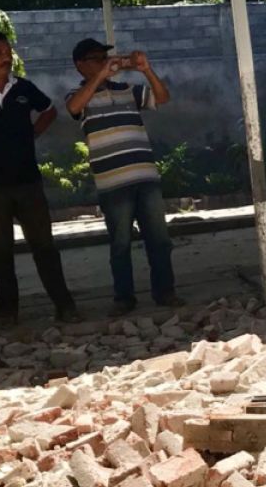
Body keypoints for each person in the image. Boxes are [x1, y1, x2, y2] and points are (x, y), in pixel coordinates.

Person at [0, 30, 80, 327]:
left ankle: (64, 305)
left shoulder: (23, 88)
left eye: (8, 51)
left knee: (44, 245)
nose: (6, 57)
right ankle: (8, 313)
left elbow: (48, 110)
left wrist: (33, 133)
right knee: (1, 250)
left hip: (27, 181)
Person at [66, 39, 181, 315]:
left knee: (159, 240)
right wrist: (100, 78)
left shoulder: (128, 90)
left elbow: (162, 98)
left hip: (145, 176)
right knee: (120, 243)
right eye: (96, 58)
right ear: (80, 65)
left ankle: (165, 292)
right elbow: (73, 108)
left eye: (106, 57)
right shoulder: (79, 94)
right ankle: (124, 297)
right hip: (113, 183)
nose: (105, 62)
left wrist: (146, 70)